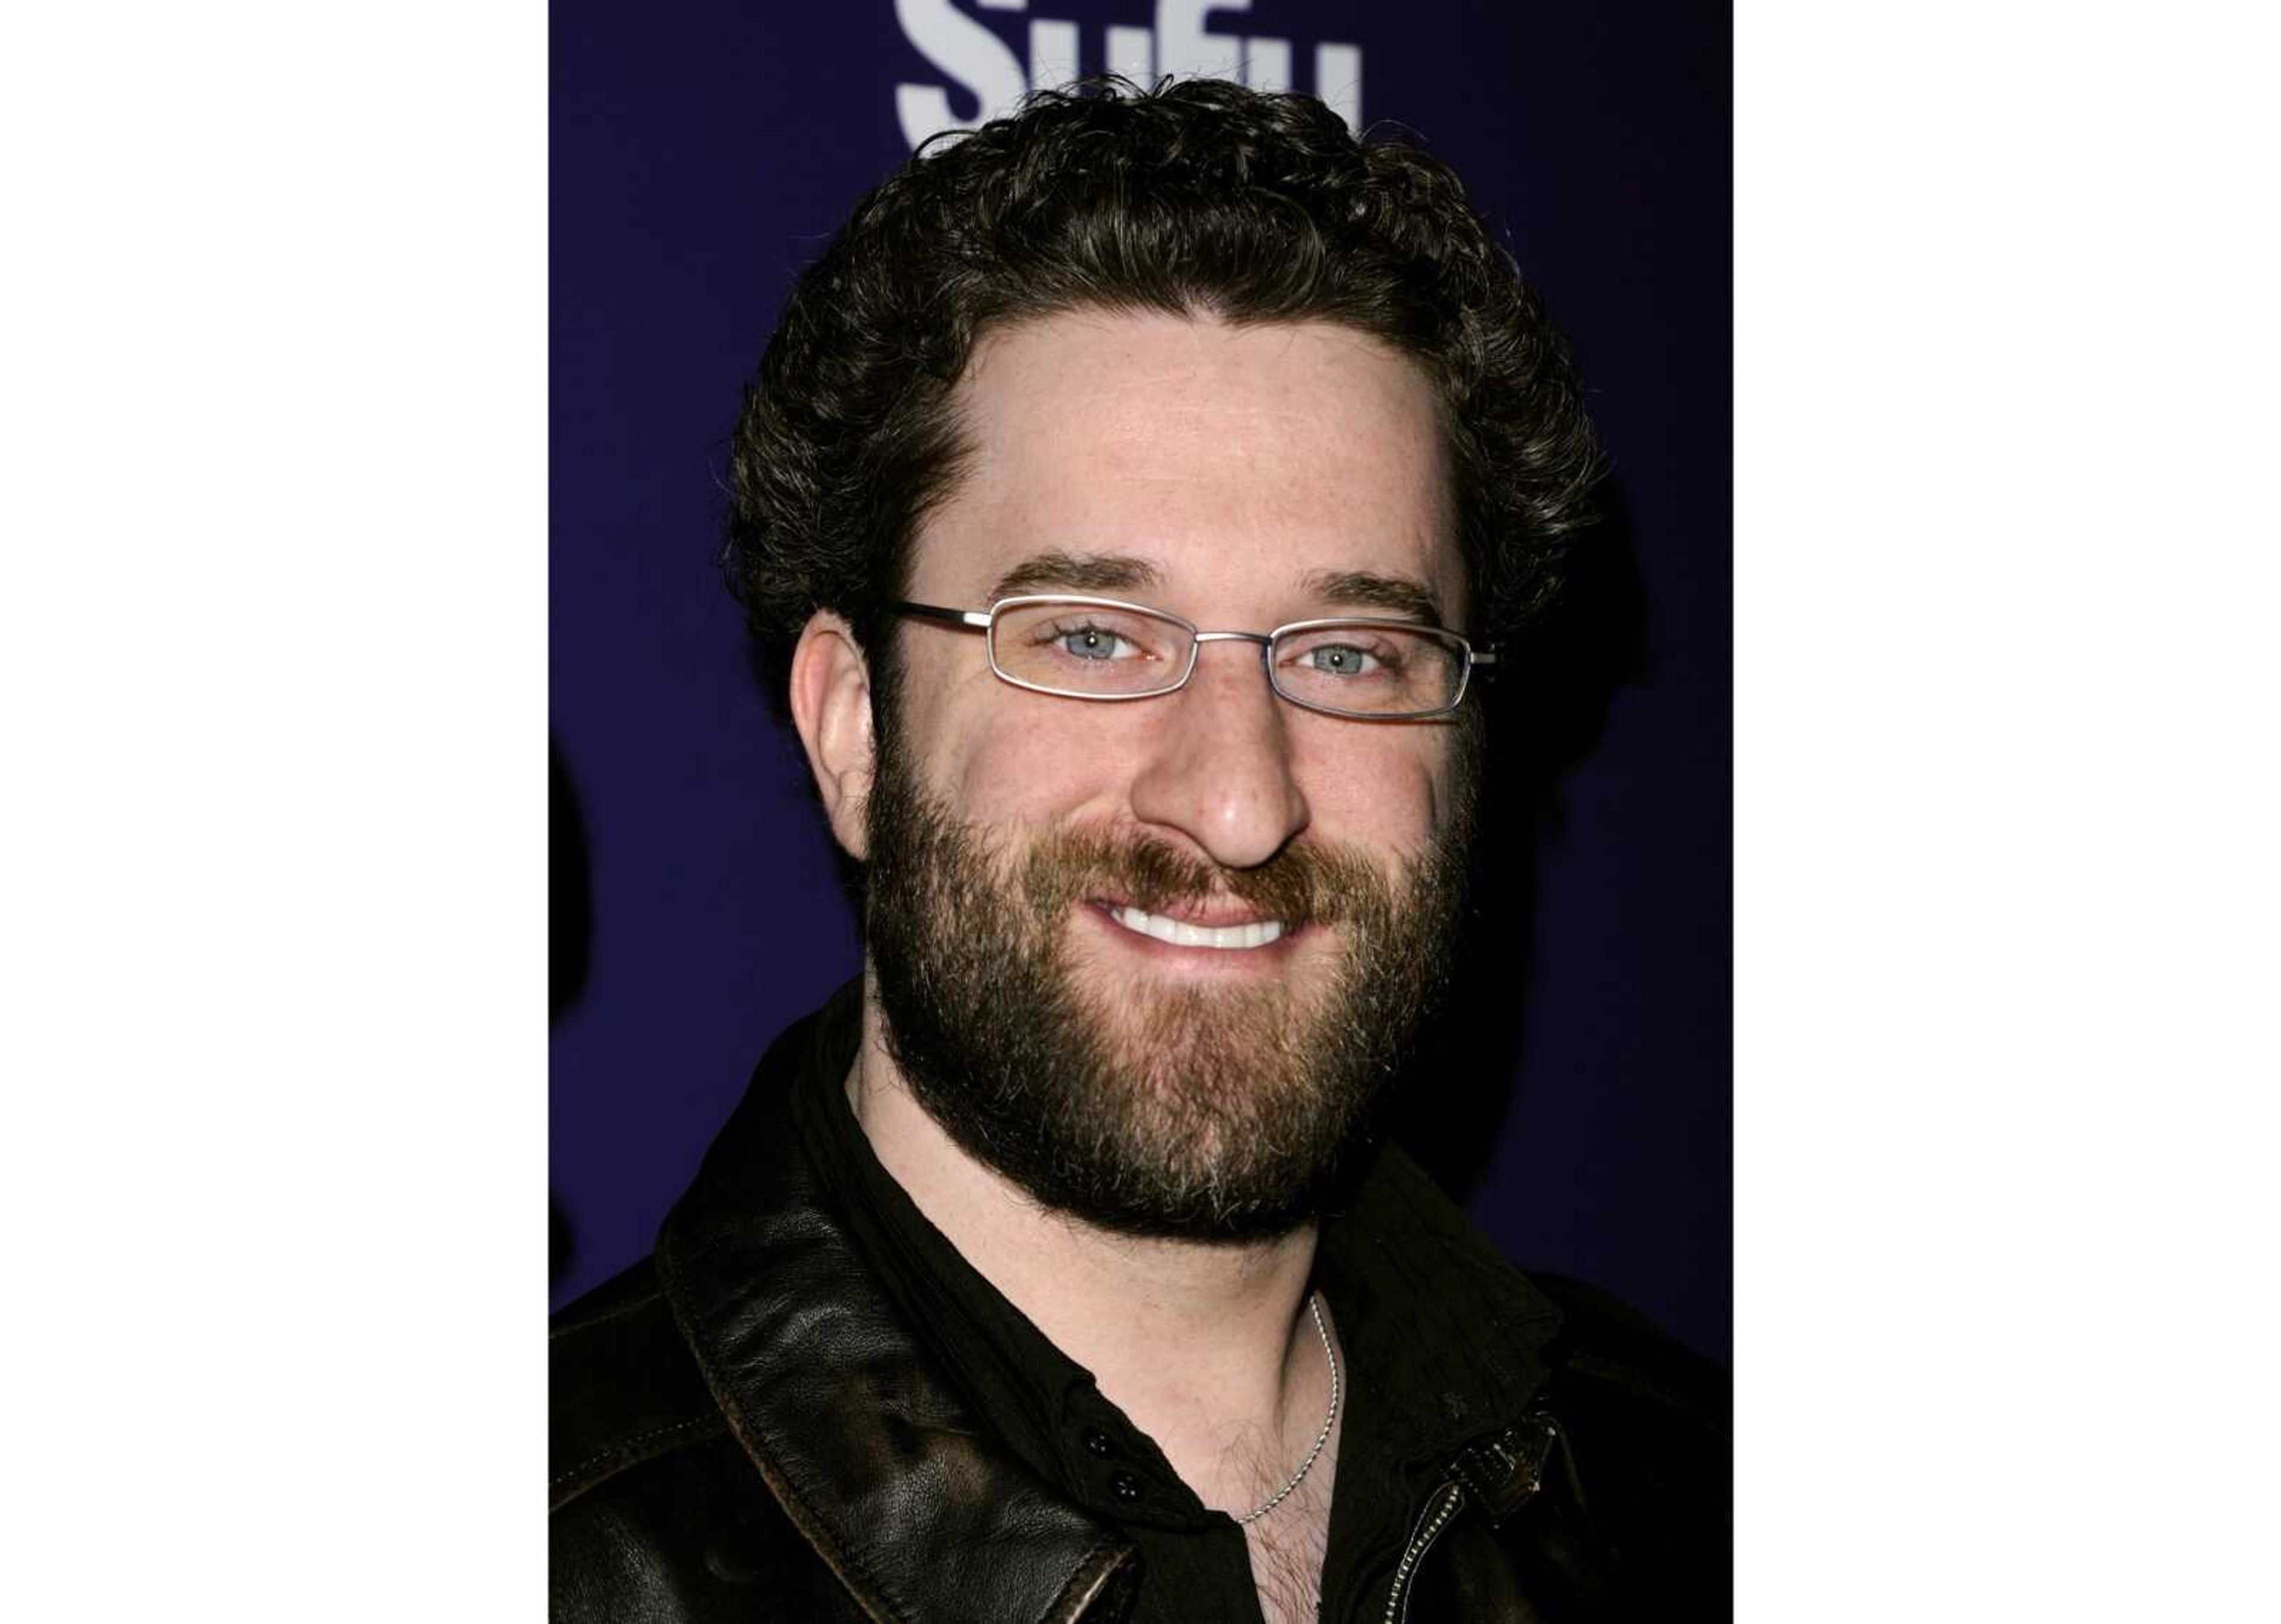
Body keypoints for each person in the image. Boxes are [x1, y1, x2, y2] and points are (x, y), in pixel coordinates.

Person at [550, 77, 1727, 1623]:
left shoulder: (1691, 1491)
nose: (1240, 804)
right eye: (1095, 638)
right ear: (853, 731)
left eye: (1352, 653)